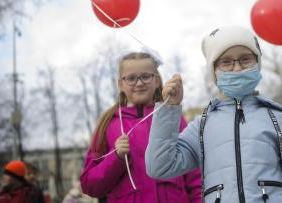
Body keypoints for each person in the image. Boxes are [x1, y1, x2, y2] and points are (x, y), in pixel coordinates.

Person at [146, 26, 282, 202]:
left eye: (245, 59)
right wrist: (169, 108)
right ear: (213, 70)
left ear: (257, 62)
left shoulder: (277, 118)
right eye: (226, 62)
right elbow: (159, 166)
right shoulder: (202, 125)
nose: (237, 68)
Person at [80, 51, 202, 203]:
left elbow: (195, 178)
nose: (139, 83)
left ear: (156, 80)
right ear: (120, 84)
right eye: (131, 78)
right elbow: (89, 185)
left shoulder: (172, 117)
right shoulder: (107, 124)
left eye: (145, 76)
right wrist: (115, 157)